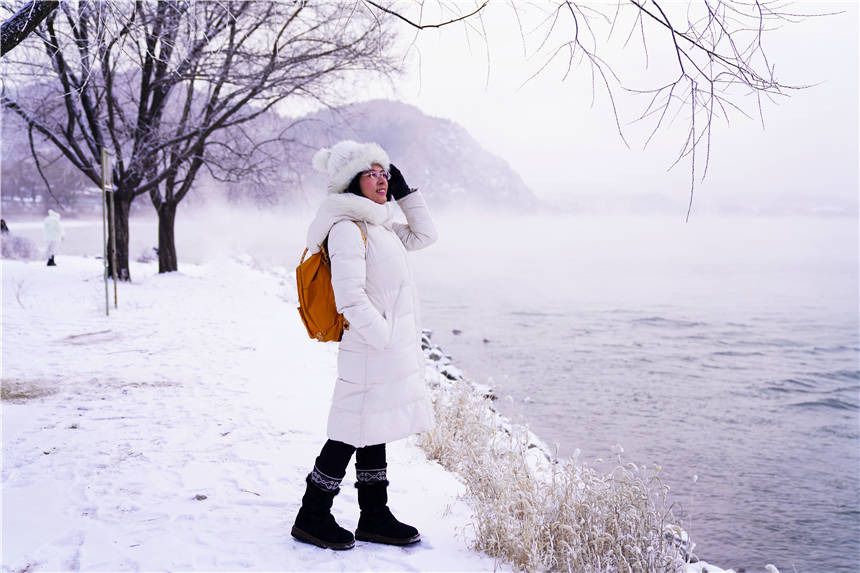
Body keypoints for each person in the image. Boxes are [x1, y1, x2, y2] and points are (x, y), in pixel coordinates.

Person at [292, 140, 438, 551]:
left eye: (385, 172)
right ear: (350, 181)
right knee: (348, 430)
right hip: (369, 347)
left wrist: (407, 195)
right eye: (372, 173)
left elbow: (426, 235)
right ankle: (312, 515)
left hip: (383, 350)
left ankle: (374, 515)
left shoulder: (379, 226)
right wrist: (383, 337)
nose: (382, 179)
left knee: (372, 427)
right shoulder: (345, 228)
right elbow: (350, 297)